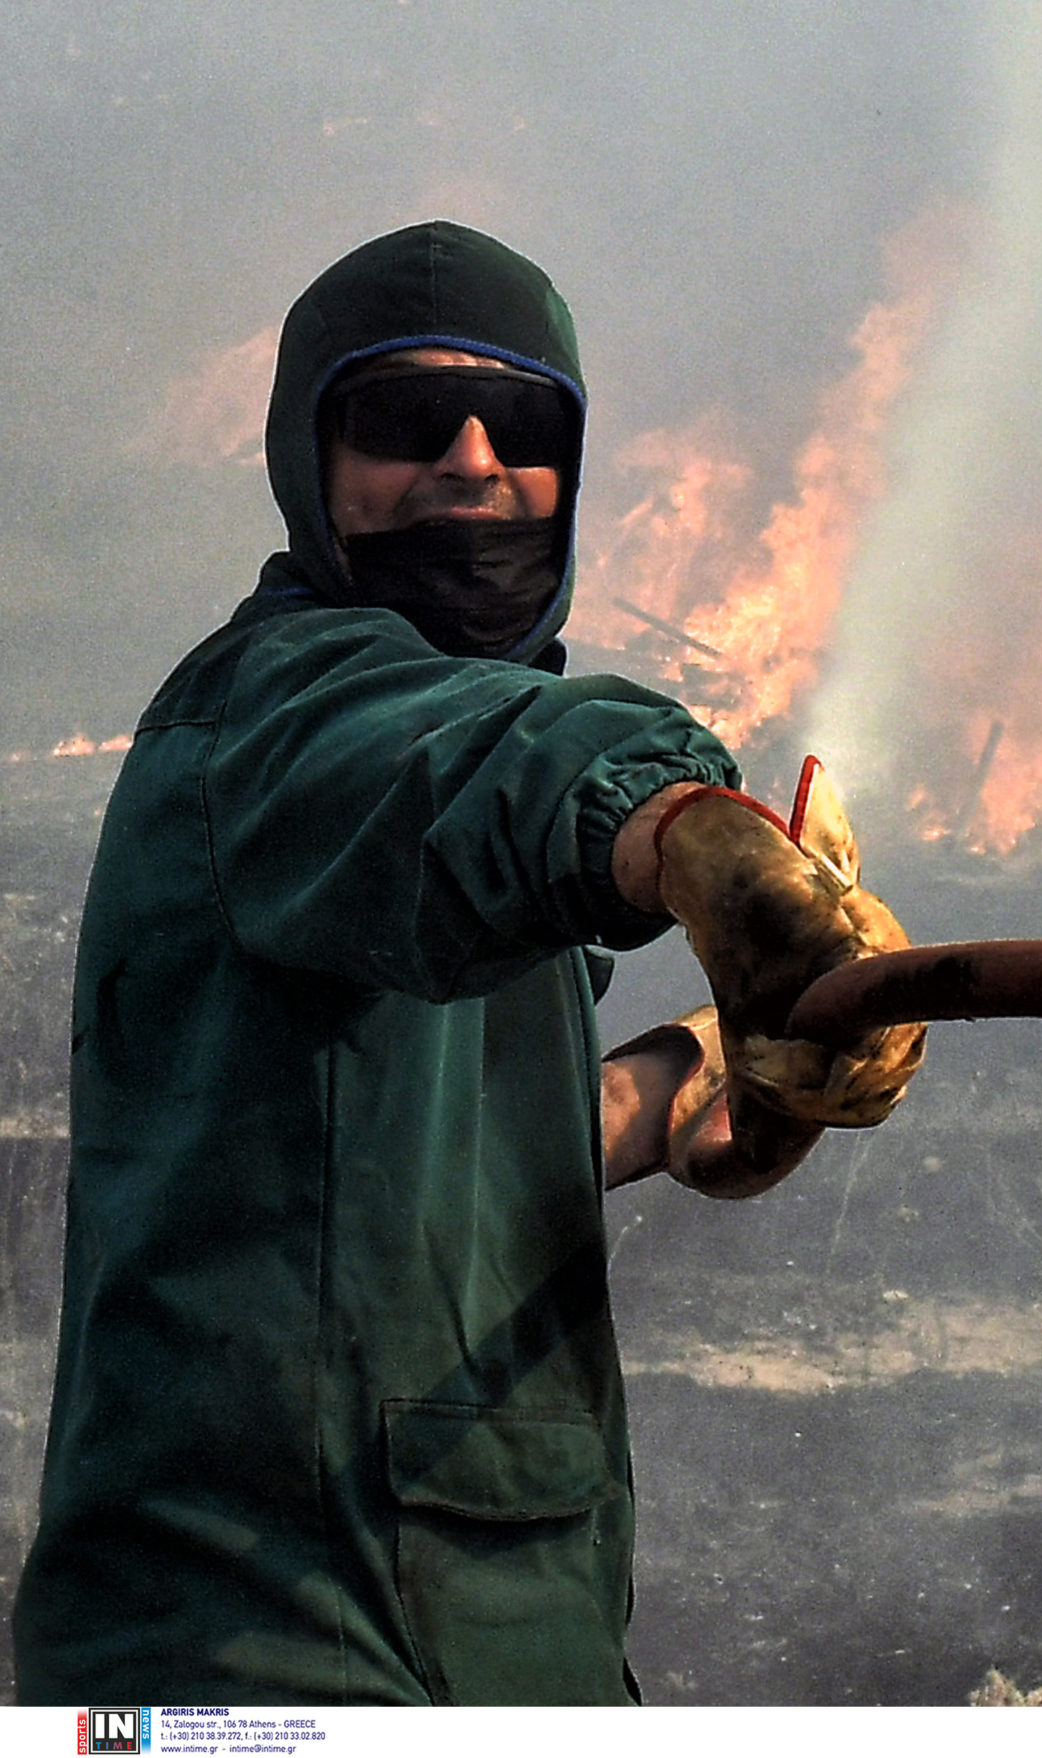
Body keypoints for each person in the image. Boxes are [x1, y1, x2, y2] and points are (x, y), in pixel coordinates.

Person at [10, 221, 922, 1705]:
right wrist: (691, 832)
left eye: (523, 424)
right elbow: (493, 768)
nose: (474, 461)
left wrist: (711, 1074)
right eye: (408, 417)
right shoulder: (283, 716)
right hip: (279, 1653)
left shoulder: (429, 789)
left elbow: (411, 1154)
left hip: (472, 1630)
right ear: (312, 461)